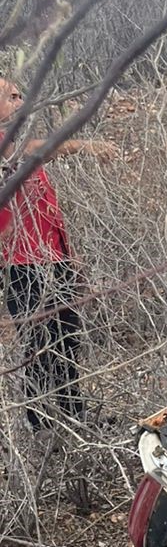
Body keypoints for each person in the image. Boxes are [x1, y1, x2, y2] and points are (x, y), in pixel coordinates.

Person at [0, 79, 114, 429]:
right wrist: (81, 145)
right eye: (12, 96)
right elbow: (29, 151)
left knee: (67, 338)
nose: (21, 102)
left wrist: (68, 256)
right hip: (20, 266)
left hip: (53, 260)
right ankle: (41, 425)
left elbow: (46, 209)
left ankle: (74, 417)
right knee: (38, 346)